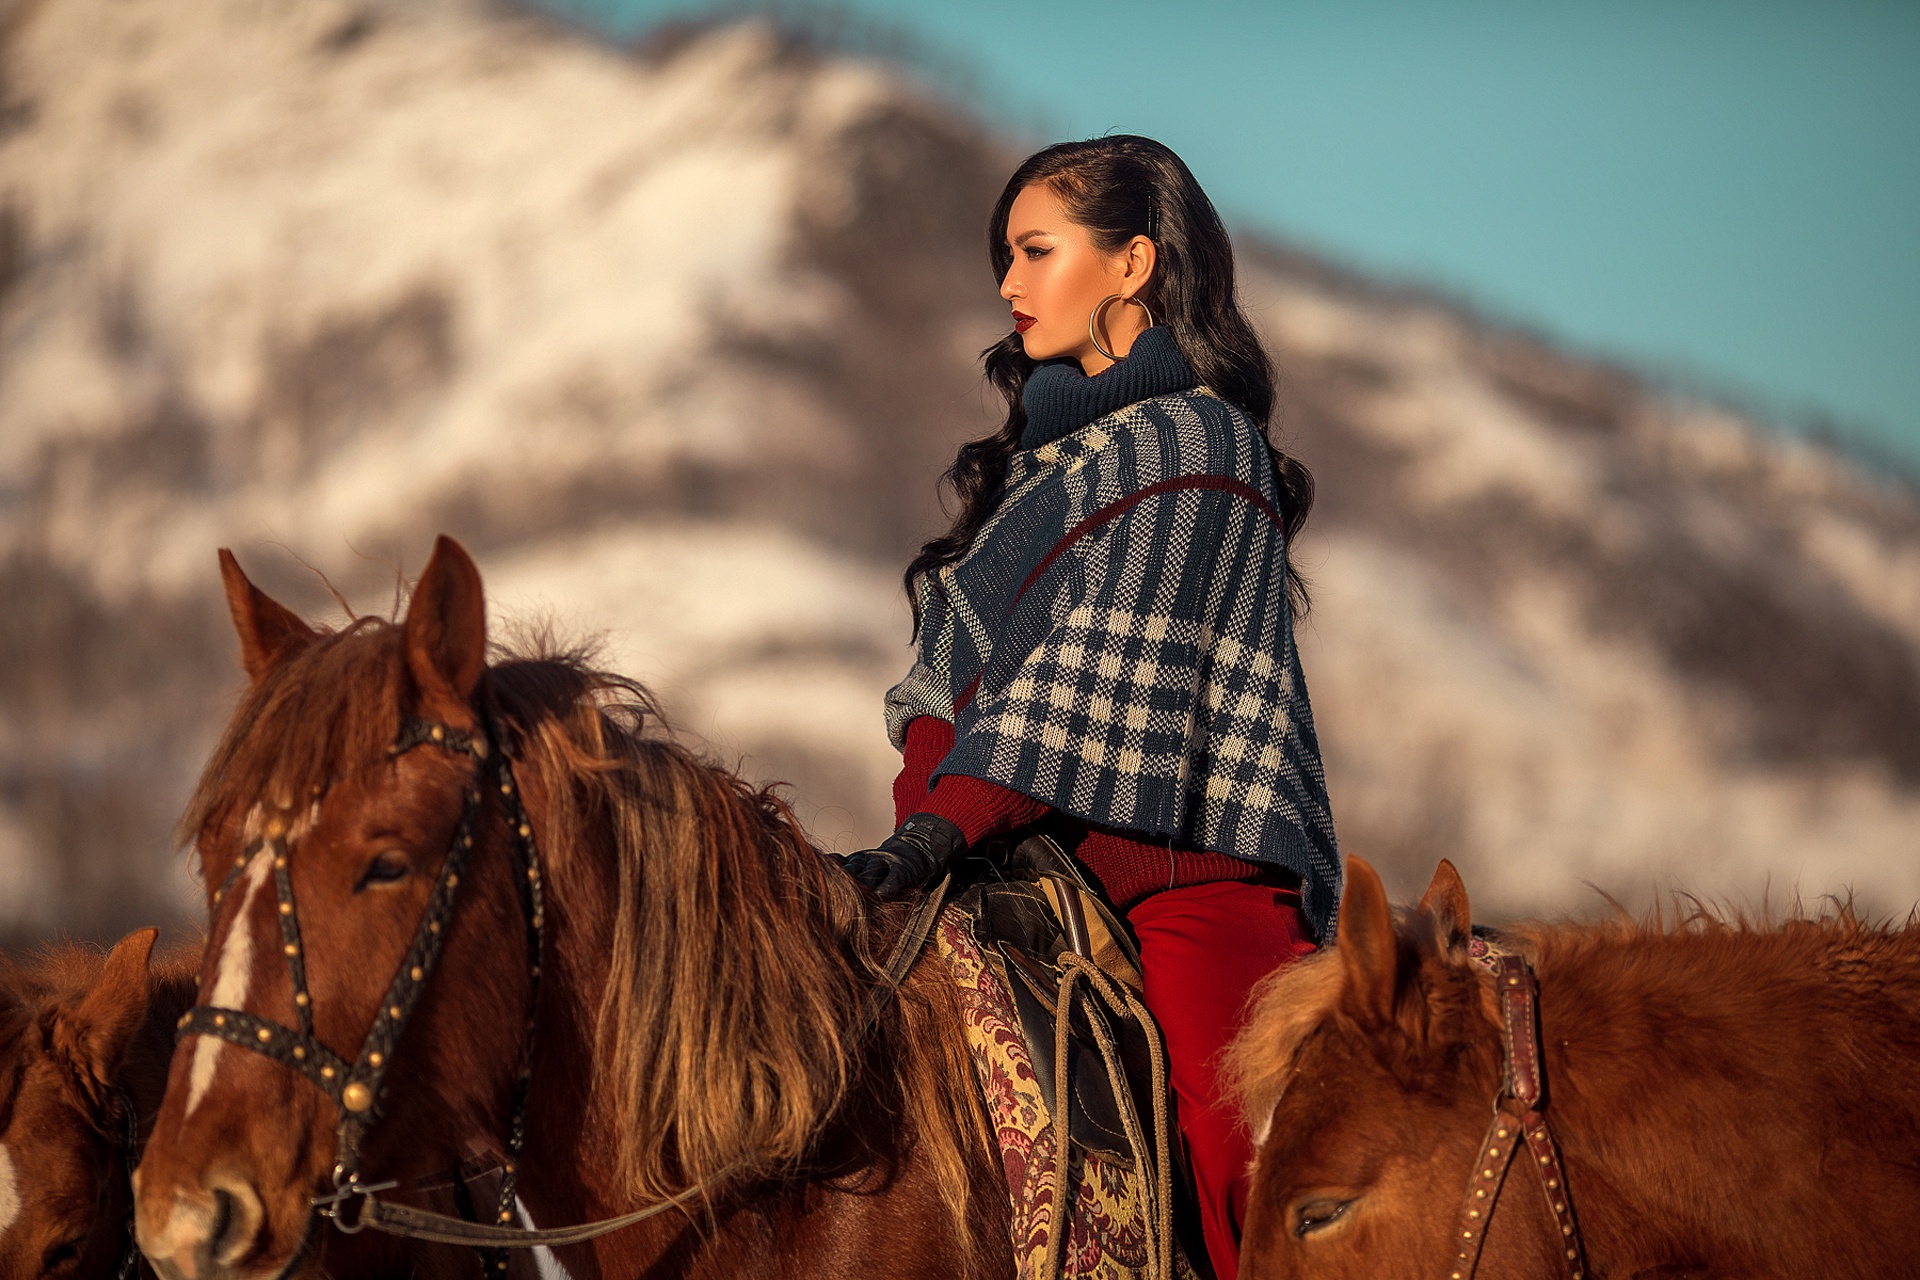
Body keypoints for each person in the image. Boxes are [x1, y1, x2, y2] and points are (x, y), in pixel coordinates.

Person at [840, 135, 1341, 1279]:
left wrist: (939, 826)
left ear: (1132, 265)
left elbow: (1086, 669)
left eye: (1034, 251)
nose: (1007, 288)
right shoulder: (1032, 474)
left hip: (1186, 882)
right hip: (1006, 861)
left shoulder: (1206, 444)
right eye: (1005, 259)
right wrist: (926, 823)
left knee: (1250, 1184)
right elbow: (939, 675)